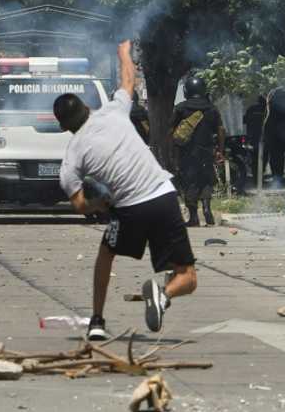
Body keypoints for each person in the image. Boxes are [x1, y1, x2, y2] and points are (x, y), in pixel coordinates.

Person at [56, 41, 197, 342]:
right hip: (162, 196)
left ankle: (96, 320)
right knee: (187, 276)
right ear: (87, 107)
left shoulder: (72, 156)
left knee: (106, 254)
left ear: (63, 127)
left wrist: (99, 204)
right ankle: (165, 294)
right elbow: (129, 78)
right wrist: (123, 51)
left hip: (129, 209)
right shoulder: (114, 111)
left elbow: (79, 205)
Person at [170, 76, 225, 227]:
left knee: (189, 182)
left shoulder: (181, 108)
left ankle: (193, 216)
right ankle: (207, 208)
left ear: (187, 90)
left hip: (187, 153)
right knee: (206, 180)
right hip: (206, 151)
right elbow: (220, 130)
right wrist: (220, 150)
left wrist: (172, 152)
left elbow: (171, 131)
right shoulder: (212, 108)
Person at [243, 95, 267, 181]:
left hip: (253, 137)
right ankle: (260, 176)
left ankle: (255, 177)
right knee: (263, 157)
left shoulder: (251, 109)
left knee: (254, 157)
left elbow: (244, 120)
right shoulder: (267, 109)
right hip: (264, 137)